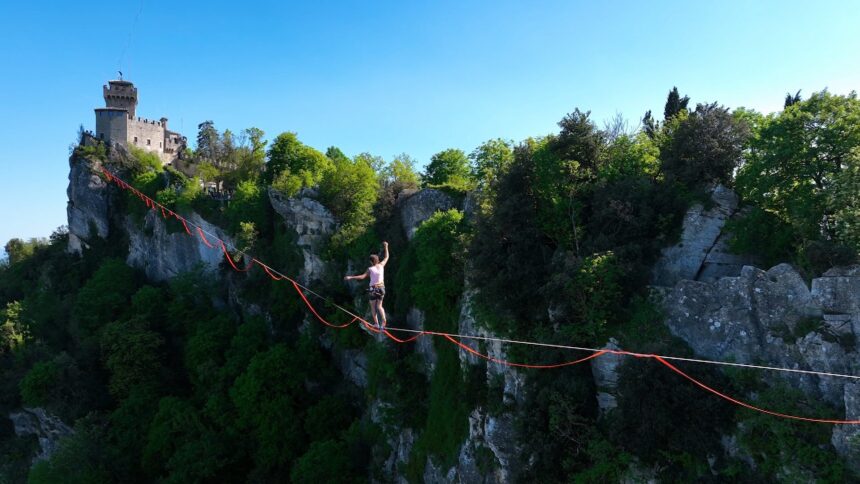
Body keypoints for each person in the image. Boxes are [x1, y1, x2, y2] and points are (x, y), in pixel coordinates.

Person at [344, 241, 389, 329]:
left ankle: (376, 323)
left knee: (373, 305)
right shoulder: (381, 265)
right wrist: (386, 246)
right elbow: (387, 257)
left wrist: (351, 277)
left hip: (373, 289)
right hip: (382, 288)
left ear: (371, 262)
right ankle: (383, 320)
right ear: (378, 260)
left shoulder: (370, 269)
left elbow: (362, 277)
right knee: (380, 306)